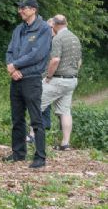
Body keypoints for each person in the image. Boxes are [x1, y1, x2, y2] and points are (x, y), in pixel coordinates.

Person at [4, 0, 52, 168]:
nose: (20, 11)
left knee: (36, 119)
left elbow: (37, 54)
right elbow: (10, 50)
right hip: (16, 78)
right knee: (17, 118)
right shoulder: (18, 29)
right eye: (19, 8)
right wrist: (12, 68)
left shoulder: (44, 29)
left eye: (23, 8)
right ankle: (18, 153)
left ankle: (40, 156)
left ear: (33, 9)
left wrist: (16, 65)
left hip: (31, 79)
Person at [41, 15, 82, 151]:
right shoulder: (74, 38)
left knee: (37, 103)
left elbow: (55, 60)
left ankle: (31, 136)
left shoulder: (58, 38)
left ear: (55, 25)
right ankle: (65, 143)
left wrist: (48, 76)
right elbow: (79, 61)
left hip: (58, 79)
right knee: (65, 111)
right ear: (66, 23)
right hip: (72, 79)